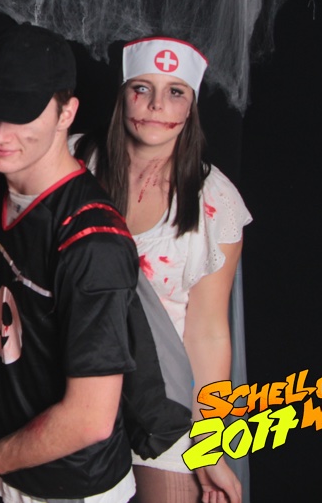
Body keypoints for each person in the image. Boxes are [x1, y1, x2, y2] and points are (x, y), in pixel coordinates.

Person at [0, 24, 139, 503]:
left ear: (66, 113)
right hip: (0, 458)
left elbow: (89, 418)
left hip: (68, 487)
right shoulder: (0, 194)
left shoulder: (92, 242)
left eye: (21, 114)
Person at [74, 37, 249, 503]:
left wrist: (210, 444)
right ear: (123, 95)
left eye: (175, 92)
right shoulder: (70, 163)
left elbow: (208, 333)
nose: (156, 105)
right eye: (142, 89)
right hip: (71, 387)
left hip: (161, 397)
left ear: (191, 106)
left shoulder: (217, 201)